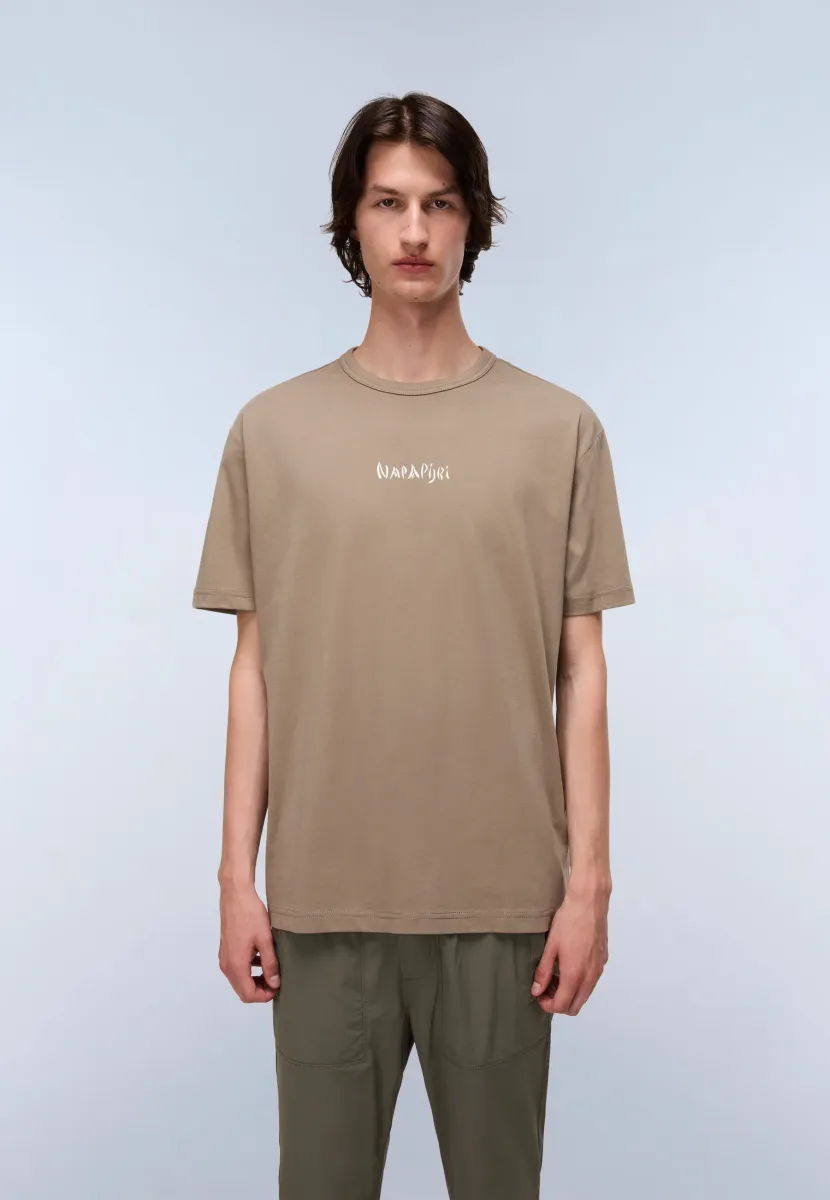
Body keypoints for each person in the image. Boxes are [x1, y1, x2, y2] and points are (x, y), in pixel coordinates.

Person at [192, 90, 636, 1200]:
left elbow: (580, 668)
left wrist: (588, 886)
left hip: (503, 909)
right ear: (351, 222)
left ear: (473, 220)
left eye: (439, 204)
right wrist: (235, 880)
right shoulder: (272, 430)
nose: (414, 231)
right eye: (387, 203)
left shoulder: (558, 429)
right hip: (320, 907)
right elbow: (254, 670)